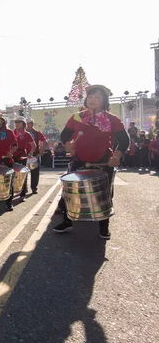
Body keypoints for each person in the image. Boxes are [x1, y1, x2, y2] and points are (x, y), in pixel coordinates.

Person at [53, 85, 129, 239]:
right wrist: (68, 144)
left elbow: (124, 140)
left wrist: (117, 155)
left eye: (98, 97)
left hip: (103, 161)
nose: (93, 99)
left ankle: (103, 225)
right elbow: (65, 135)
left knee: (103, 194)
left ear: (104, 101)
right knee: (72, 191)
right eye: (91, 96)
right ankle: (68, 221)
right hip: (80, 159)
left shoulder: (112, 119)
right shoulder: (77, 117)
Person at [0, 112, 18, 211]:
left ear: (3, 121)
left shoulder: (10, 132)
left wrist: (11, 152)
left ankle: (9, 202)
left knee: (8, 182)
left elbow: (15, 145)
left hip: (7, 160)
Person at [12, 116, 36, 202]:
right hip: (11, 156)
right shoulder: (12, 133)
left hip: (22, 156)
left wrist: (30, 153)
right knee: (11, 175)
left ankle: (22, 194)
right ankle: (10, 194)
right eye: (16, 122)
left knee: (22, 175)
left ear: (23, 124)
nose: (17, 124)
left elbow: (33, 145)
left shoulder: (27, 134)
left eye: (19, 122)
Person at [26, 118, 47, 194]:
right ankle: (24, 189)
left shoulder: (37, 133)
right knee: (23, 173)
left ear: (32, 124)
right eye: (26, 123)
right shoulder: (22, 133)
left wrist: (42, 150)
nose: (27, 125)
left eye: (29, 123)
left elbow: (44, 142)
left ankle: (34, 188)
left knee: (34, 173)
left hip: (34, 155)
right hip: (24, 155)